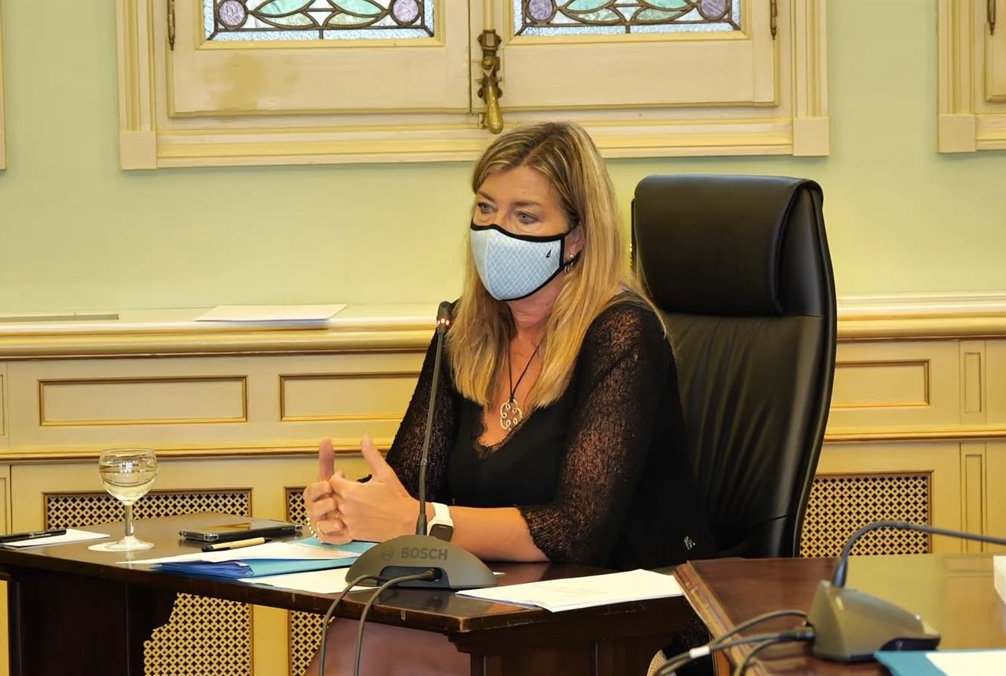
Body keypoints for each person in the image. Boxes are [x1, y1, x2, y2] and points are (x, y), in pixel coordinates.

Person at [303, 121, 714, 674]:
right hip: (495, 597)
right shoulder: (464, 329)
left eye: (526, 216)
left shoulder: (623, 334)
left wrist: (422, 522)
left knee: (369, 647)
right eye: (486, 209)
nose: (497, 232)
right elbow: (410, 483)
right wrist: (350, 506)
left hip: (619, 608)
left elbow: (577, 531)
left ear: (578, 236)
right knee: (353, 634)